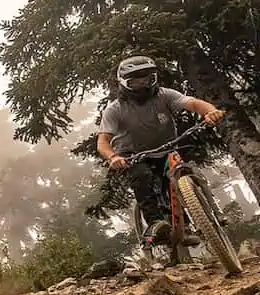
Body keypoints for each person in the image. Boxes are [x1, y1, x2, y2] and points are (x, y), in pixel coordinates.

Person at [97, 55, 226, 247]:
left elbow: (192, 103)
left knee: (180, 175)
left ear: (154, 79)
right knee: (141, 177)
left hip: (167, 148)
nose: (142, 86)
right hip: (133, 155)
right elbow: (103, 142)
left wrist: (210, 111)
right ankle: (155, 224)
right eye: (135, 81)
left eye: (147, 80)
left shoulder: (164, 95)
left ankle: (198, 220)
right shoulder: (115, 109)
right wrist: (113, 157)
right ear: (124, 83)